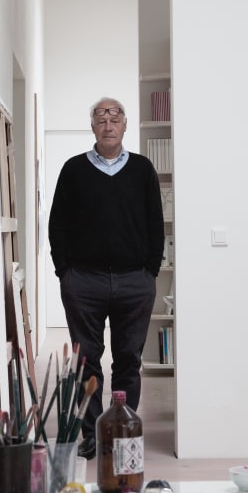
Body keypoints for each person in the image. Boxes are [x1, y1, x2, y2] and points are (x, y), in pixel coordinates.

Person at [48, 96, 165, 459]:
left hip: (134, 281)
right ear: (93, 126)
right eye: (101, 117)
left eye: (115, 117)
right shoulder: (73, 169)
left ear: (125, 125)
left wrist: (149, 271)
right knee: (87, 361)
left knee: (128, 359)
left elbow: (155, 226)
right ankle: (92, 434)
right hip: (85, 281)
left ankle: (123, 431)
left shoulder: (143, 170)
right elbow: (57, 225)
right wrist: (65, 272)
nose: (108, 123)